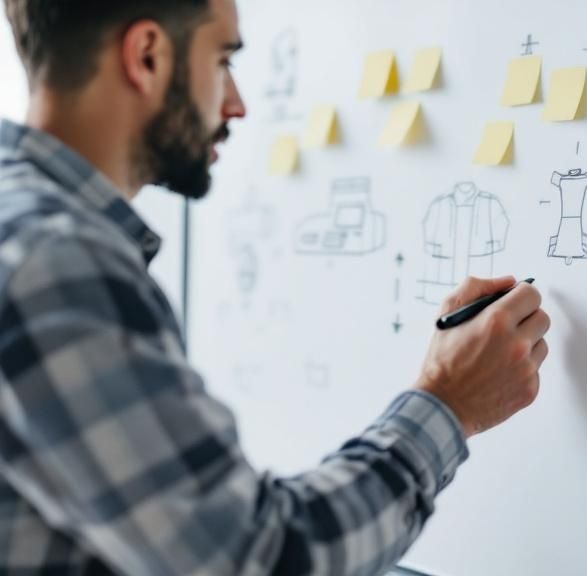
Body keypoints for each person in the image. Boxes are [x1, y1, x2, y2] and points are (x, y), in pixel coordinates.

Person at [0, 0, 550, 574]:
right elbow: (257, 559)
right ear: (146, 55)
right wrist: (449, 400)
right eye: (222, 61)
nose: (237, 103)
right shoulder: (56, 265)